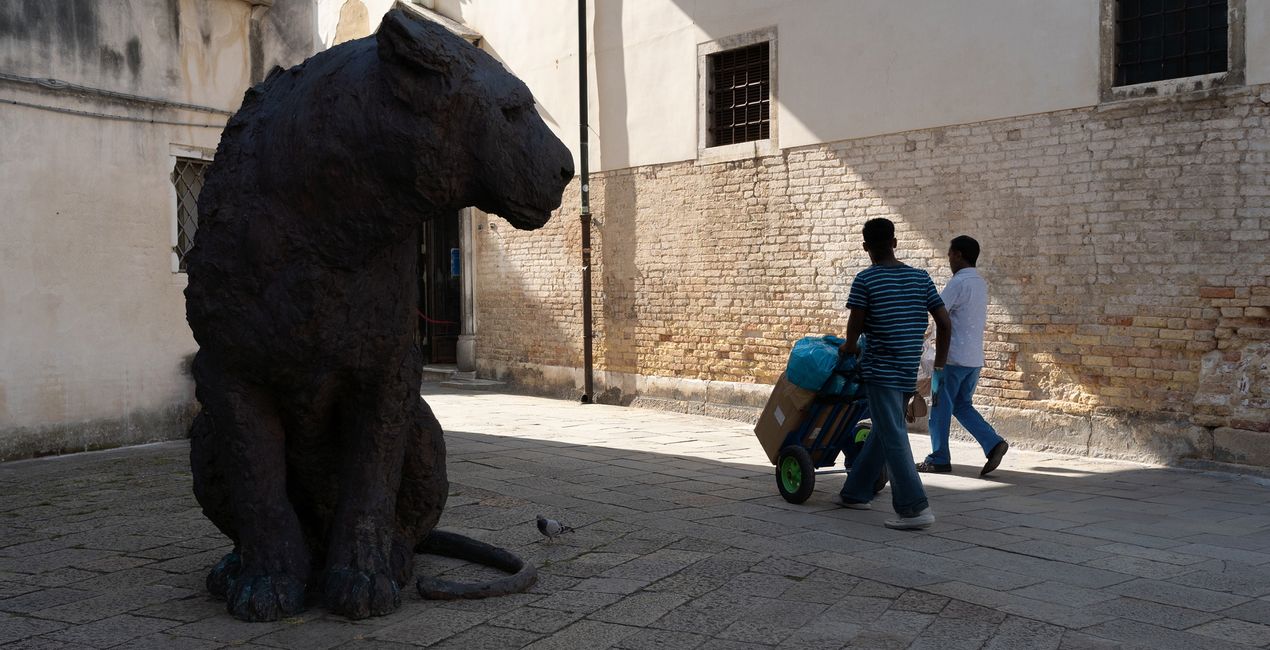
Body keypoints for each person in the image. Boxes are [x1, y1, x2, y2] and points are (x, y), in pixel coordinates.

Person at [834, 218, 951, 530]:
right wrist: (938, 364)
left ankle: (915, 508)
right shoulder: (921, 278)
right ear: (895, 243)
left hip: (880, 369)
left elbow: (855, 326)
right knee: (887, 428)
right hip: (907, 370)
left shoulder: (865, 281)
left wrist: (848, 347)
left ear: (865, 248)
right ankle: (856, 492)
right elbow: (944, 321)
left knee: (894, 435)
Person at [917, 235, 1009, 476]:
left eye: (949, 254)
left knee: (939, 408)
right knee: (962, 405)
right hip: (973, 359)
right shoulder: (979, 283)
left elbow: (938, 312)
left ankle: (939, 458)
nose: (948, 259)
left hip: (952, 358)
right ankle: (993, 442)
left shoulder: (958, 283)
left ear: (958, 254)